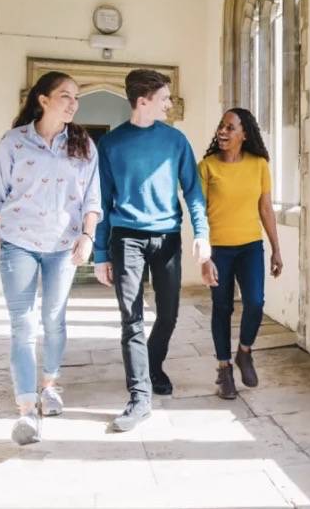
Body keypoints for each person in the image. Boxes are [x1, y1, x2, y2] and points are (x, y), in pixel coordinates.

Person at [93, 69, 211, 432]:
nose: (170, 104)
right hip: (126, 237)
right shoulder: (110, 145)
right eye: (164, 98)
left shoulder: (175, 141)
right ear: (143, 101)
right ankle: (139, 396)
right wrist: (101, 254)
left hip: (167, 237)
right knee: (131, 318)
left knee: (169, 314)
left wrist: (202, 233)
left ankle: (153, 364)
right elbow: (102, 202)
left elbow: (193, 191)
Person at [0, 71, 101, 445]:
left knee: (53, 318)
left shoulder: (83, 145)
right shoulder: (14, 142)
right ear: (43, 100)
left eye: (77, 97)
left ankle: (50, 386)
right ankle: (26, 410)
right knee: (22, 324)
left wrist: (88, 236)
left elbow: (92, 198)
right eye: (66, 95)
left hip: (63, 245)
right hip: (17, 241)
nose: (73, 104)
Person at [198, 108, 282, 399]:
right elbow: (199, 213)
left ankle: (244, 352)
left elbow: (265, 208)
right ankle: (224, 370)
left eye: (230, 127)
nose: (223, 131)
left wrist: (276, 249)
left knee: (255, 302)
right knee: (222, 308)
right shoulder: (207, 167)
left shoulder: (259, 165)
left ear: (244, 134)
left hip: (250, 247)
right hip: (218, 250)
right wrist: (205, 256)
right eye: (221, 126)